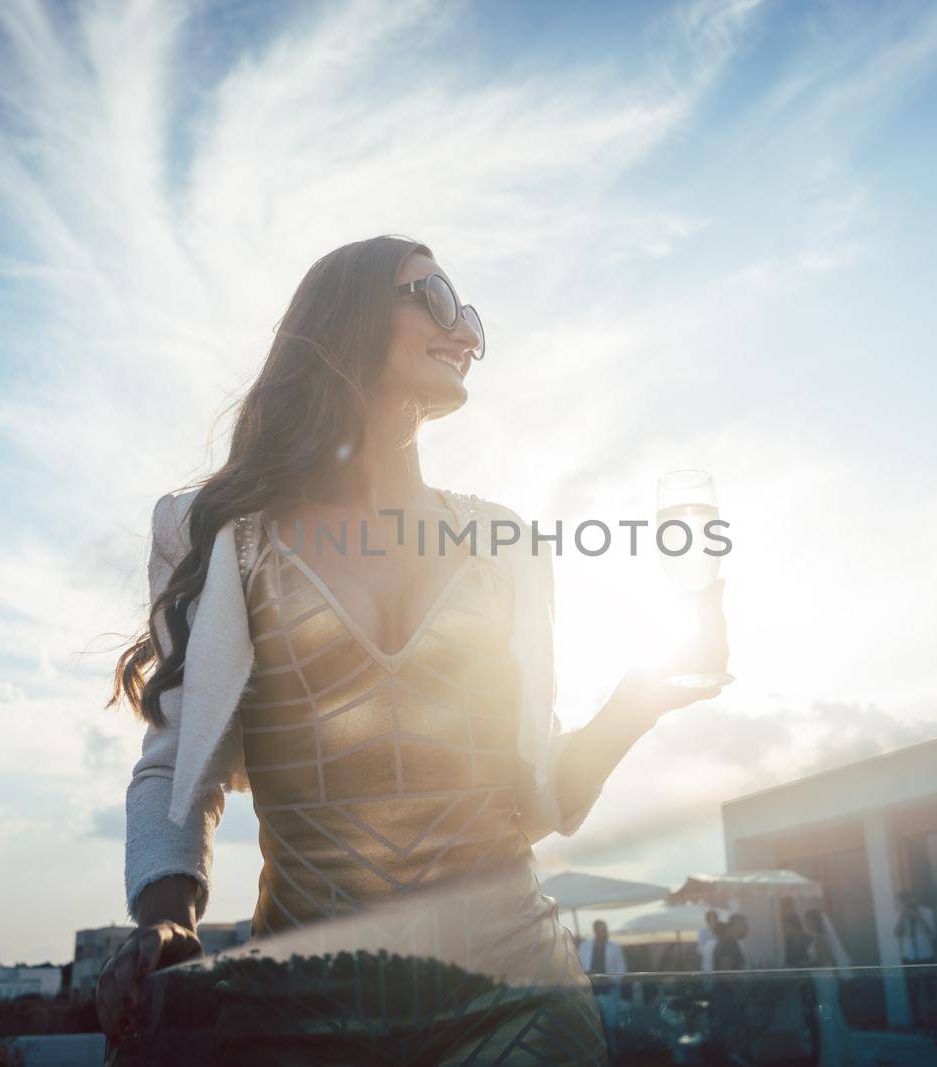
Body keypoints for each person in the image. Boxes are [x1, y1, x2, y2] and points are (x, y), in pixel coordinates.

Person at [97, 236, 731, 1063]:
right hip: (298, 1012)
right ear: (347, 320)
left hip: (516, 998)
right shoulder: (217, 538)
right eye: (435, 297)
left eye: (470, 314)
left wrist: (634, 704)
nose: (465, 331)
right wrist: (166, 916)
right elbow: (176, 768)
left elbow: (531, 803)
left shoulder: (507, 543)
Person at [804, 908, 861, 1067]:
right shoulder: (819, 938)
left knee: (827, 1017)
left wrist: (805, 965)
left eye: (807, 921)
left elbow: (823, 960)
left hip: (825, 980)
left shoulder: (820, 939)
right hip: (823, 980)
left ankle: (834, 1059)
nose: (806, 924)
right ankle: (842, 1055)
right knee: (832, 1015)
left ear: (814, 922)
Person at [893, 891, 937, 1044]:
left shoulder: (927, 912)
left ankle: (933, 1028)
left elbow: (932, 934)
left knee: (930, 993)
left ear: (916, 898)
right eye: (904, 900)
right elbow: (896, 933)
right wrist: (902, 915)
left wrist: (919, 917)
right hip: (910, 957)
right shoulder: (901, 913)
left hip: (926, 956)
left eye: (910, 899)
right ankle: (920, 1028)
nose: (908, 902)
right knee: (913, 993)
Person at [579, 920, 628, 1055]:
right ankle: (599, 1053)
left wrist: (611, 979)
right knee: (594, 1024)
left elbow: (622, 968)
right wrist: (588, 973)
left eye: (605, 929)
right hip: (591, 992)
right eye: (601, 930)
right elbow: (579, 966)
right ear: (595, 931)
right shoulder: (585, 946)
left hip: (610, 990)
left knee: (612, 1024)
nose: (604, 932)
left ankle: (615, 1051)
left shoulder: (615, 947)